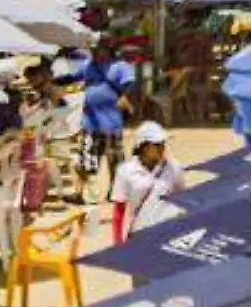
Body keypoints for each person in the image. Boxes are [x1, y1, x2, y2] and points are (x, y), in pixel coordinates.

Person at [76, 44, 135, 205]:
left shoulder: (120, 66)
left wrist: (124, 96)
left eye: (100, 49)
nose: (96, 53)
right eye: (94, 50)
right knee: (88, 156)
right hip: (90, 120)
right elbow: (73, 77)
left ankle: (116, 191)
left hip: (111, 120)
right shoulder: (87, 65)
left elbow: (130, 84)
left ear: (108, 50)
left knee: (114, 158)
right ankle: (88, 194)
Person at [112, 121, 186, 241]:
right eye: (156, 144)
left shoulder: (174, 167)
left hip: (170, 234)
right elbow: (118, 212)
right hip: (140, 235)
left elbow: (184, 200)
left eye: (163, 143)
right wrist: (118, 244)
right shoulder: (125, 171)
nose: (162, 147)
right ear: (143, 146)